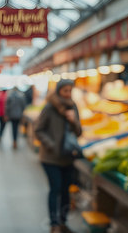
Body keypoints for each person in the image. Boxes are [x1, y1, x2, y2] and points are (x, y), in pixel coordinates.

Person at [35, 79, 82, 233]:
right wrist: (51, 145)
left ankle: (63, 221)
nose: (68, 94)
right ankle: (54, 223)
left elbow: (79, 132)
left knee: (65, 189)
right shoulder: (49, 107)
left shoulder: (73, 106)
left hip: (68, 156)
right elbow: (38, 129)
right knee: (55, 188)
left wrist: (74, 121)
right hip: (50, 157)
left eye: (70, 90)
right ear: (58, 91)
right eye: (65, 91)